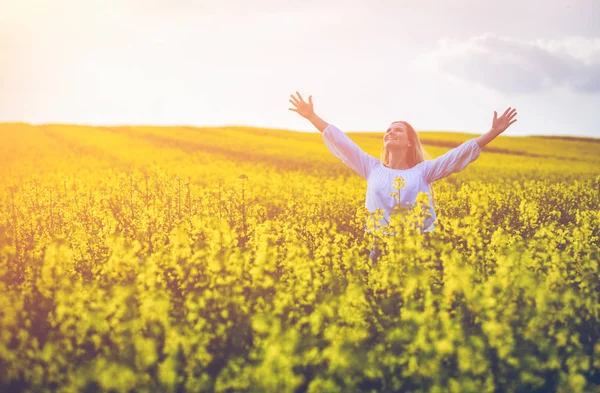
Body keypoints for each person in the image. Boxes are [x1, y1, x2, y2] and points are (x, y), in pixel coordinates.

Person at [288, 91, 518, 265]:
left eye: (398, 130)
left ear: (409, 142)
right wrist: (311, 116)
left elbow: (456, 155)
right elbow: (341, 141)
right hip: (378, 247)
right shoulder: (371, 167)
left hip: (417, 247)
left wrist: (492, 133)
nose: (390, 132)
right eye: (388, 130)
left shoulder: (423, 171)